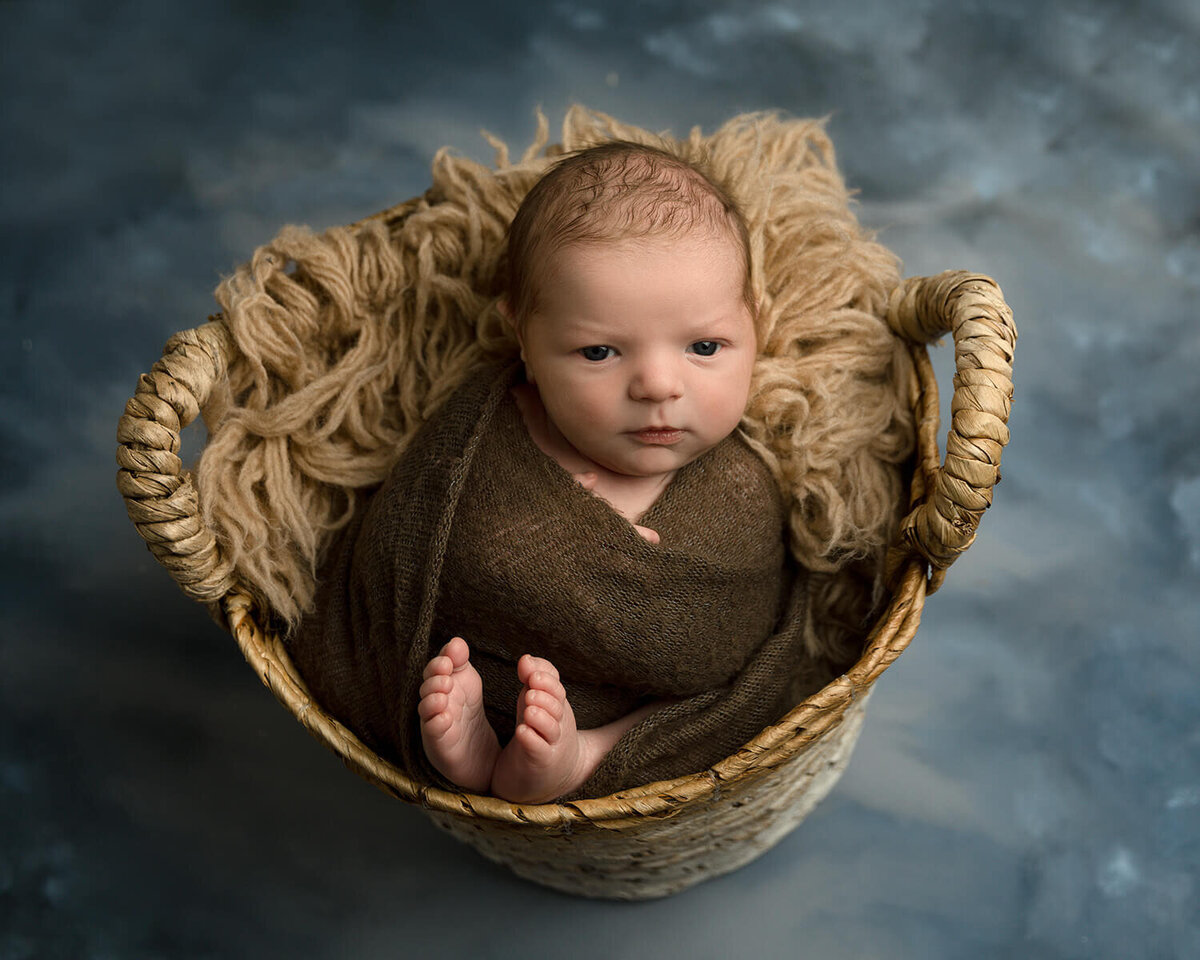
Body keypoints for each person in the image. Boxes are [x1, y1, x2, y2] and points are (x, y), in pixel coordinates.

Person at [416, 141, 771, 803]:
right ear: (523, 337)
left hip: (655, 710)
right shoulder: (488, 430)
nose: (659, 386)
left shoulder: (741, 485)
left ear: (756, 327)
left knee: (751, 696)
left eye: (704, 346)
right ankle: (472, 750)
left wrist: (639, 576)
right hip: (498, 669)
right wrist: (552, 543)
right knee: (442, 660)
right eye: (600, 351)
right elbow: (422, 537)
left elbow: (736, 625)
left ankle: (586, 757)